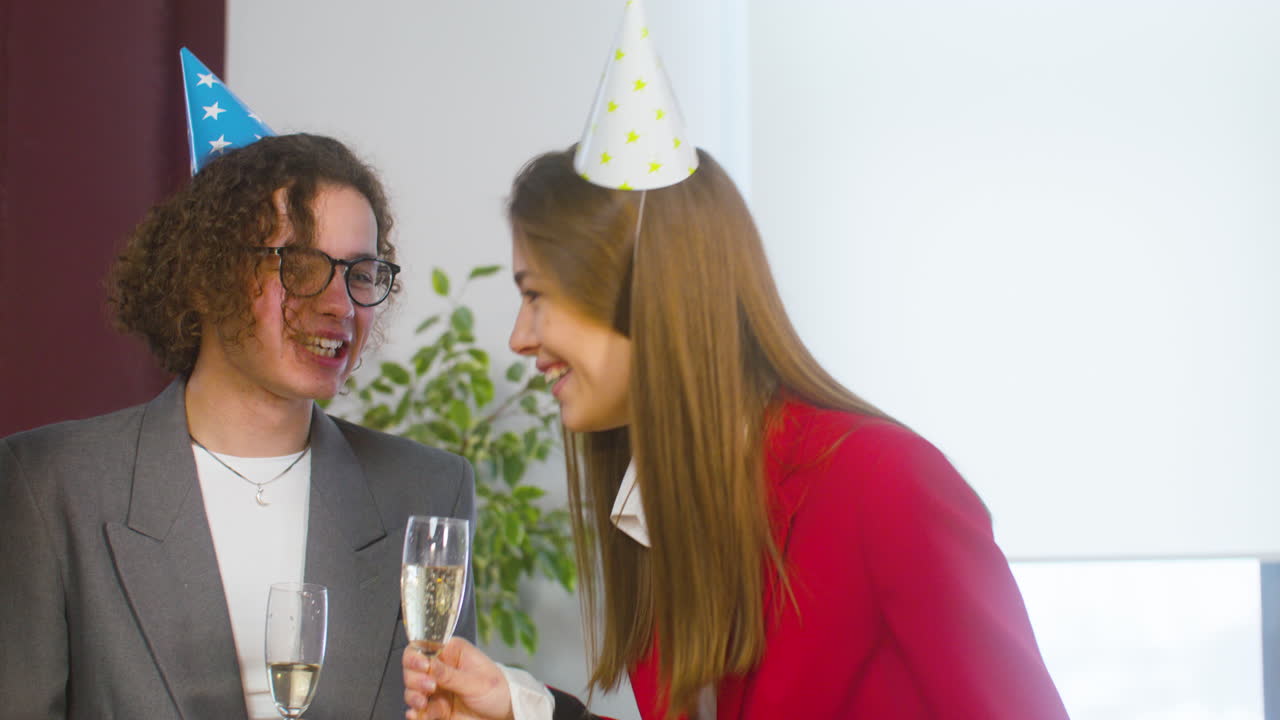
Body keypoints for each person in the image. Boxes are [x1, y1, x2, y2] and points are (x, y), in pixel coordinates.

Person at [400, 145, 1070, 720]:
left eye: (535, 293)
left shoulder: (883, 482)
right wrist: (519, 708)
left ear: (638, 290)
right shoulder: (658, 510)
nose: (521, 337)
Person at [0, 130, 477, 719]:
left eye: (360, 273)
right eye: (301, 266)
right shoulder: (50, 484)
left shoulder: (428, 489)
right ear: (207, 277)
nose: (341, 305)